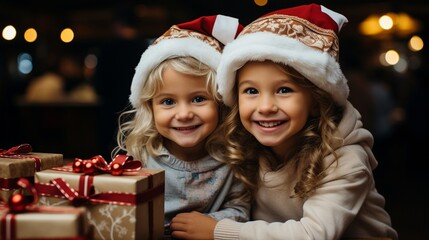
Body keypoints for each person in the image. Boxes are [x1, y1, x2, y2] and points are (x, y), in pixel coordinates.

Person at [170, 4, 398, 240]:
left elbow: (313, 234)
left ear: (315, 101)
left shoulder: (344, 158)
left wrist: (217, 231)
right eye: (251, 91)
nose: (266, 106)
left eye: (284, 90)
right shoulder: (246, 146)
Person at [114, 15, 249, 238]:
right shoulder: (140, 159)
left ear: (220, 104)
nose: (184, 114)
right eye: (168, 102)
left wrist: (210, 224)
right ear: (150, 108)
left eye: (198, 99)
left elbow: (242, 210)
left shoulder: (233, 159)